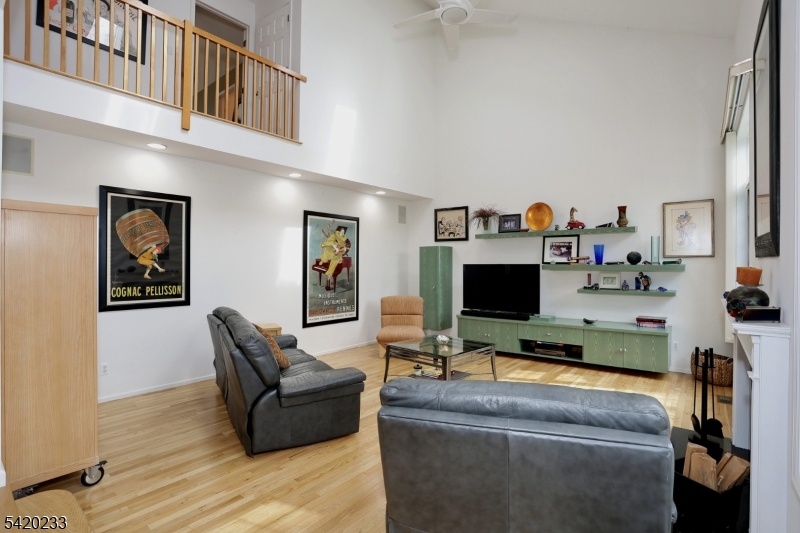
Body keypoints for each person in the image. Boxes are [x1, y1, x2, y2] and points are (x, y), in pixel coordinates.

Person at [319, 226, 349, 291]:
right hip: (330, 248)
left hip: (337, 254)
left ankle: (329, 274)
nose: (342, 233)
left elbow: (343, 249)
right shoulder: (334, 235)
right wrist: (334, 245)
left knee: (336, 259)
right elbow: (328, 242)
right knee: (327, 249)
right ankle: (323, 260)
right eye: (341, 232)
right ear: (339, 231)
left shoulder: (344, 239)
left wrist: (343, 249)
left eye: (343, 233)